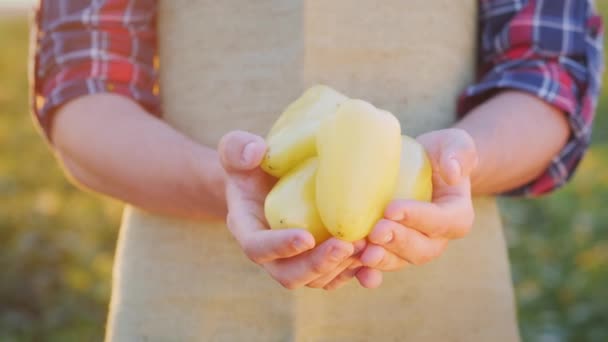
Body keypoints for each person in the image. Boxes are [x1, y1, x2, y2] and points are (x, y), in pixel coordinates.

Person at [31, 0, 603, 341]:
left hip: (446, 301)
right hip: (184, 303)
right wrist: (223, 184)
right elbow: (84, 94)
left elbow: (547, 73)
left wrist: (457, 161)